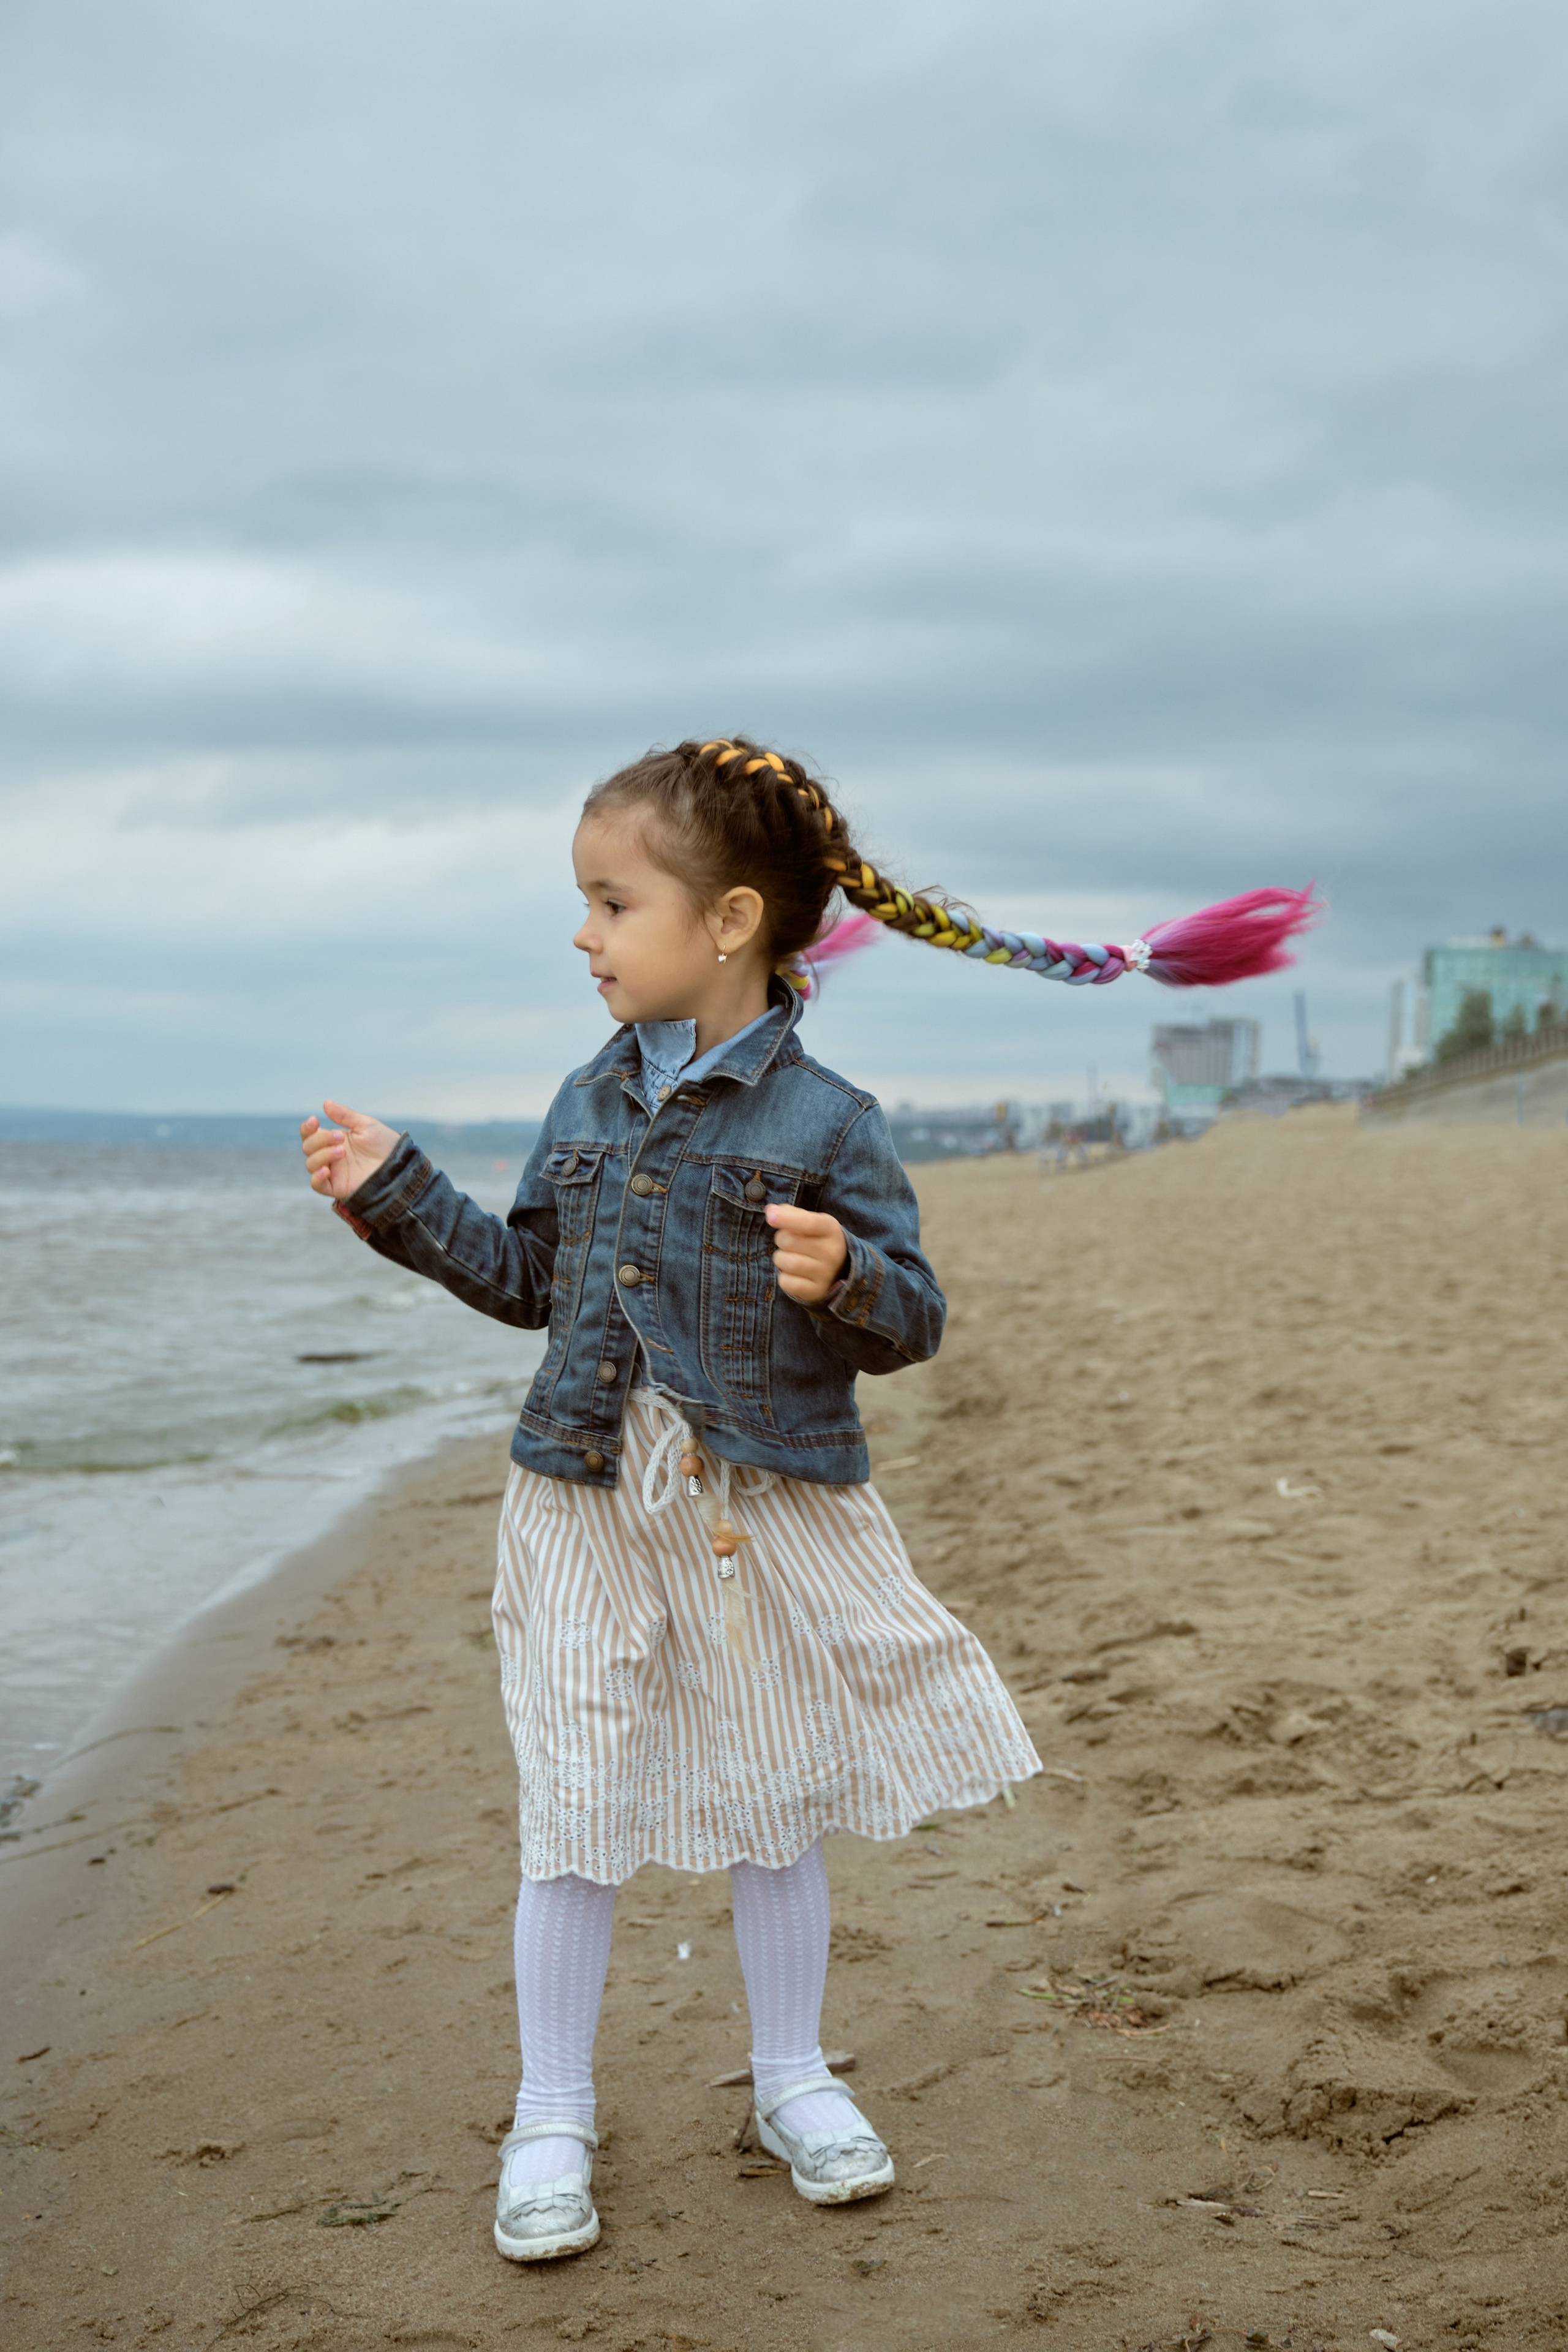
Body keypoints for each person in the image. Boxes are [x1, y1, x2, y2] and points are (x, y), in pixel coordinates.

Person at [301, 736, 1314, 2263]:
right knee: (574, 1807)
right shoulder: (583, 1098)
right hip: (582, 1498)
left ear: (726, 922)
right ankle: (552, 2110)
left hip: (753, 1504)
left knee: (771, 1796)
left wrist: (845, 1278)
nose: (583, 936)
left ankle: (790, 2079)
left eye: (608, 903)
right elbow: (528, 1284)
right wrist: (398, 1190)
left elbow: (913, 1319)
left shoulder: (827, 1121)